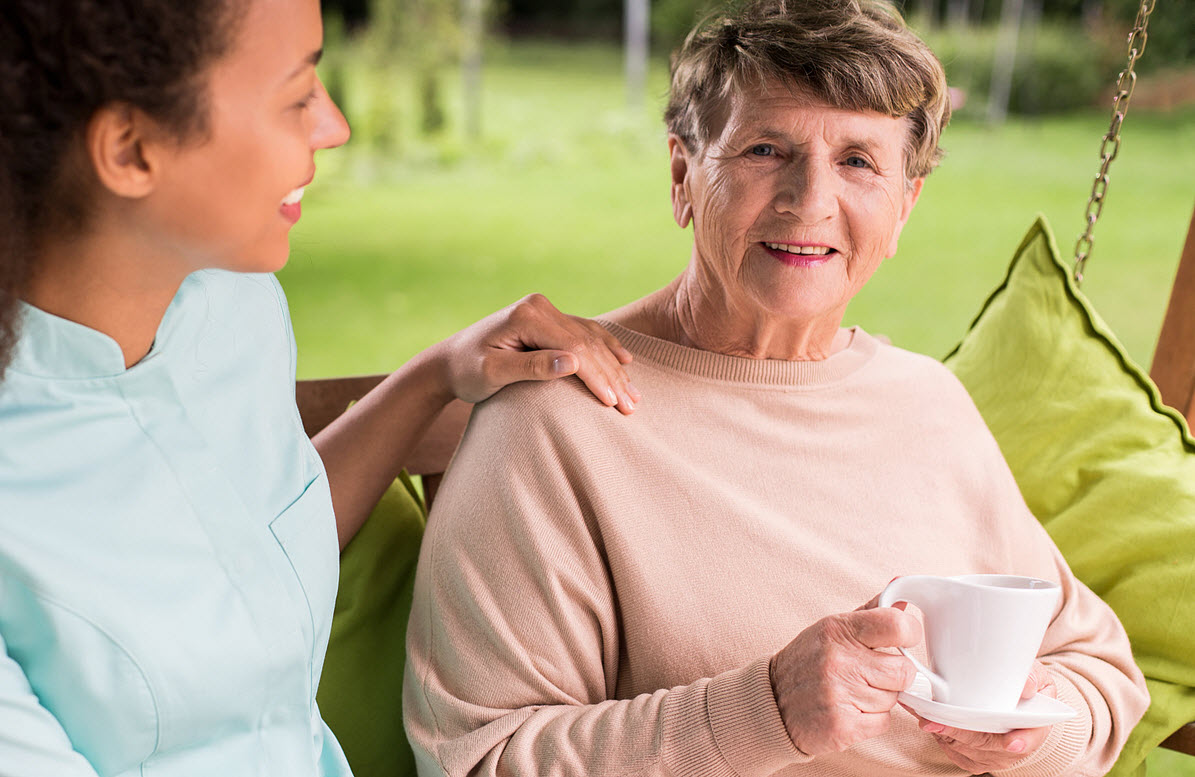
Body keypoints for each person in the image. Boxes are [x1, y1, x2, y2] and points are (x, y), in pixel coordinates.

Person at [402, 0, 1150, 774]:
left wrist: (1036, 728)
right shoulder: (557, 414)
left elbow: (1097, 669)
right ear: (682, 174)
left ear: (904, 206)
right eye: (765, 149)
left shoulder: (928, 403)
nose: (809, 200)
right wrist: (764, 712)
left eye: (858, 161)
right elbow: (480, 758)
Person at [0, 0, 641, 774]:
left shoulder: (234, 307)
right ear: (132, 150)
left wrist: (435, 376)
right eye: (297, 95)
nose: (334, 127)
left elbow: (246, 547)